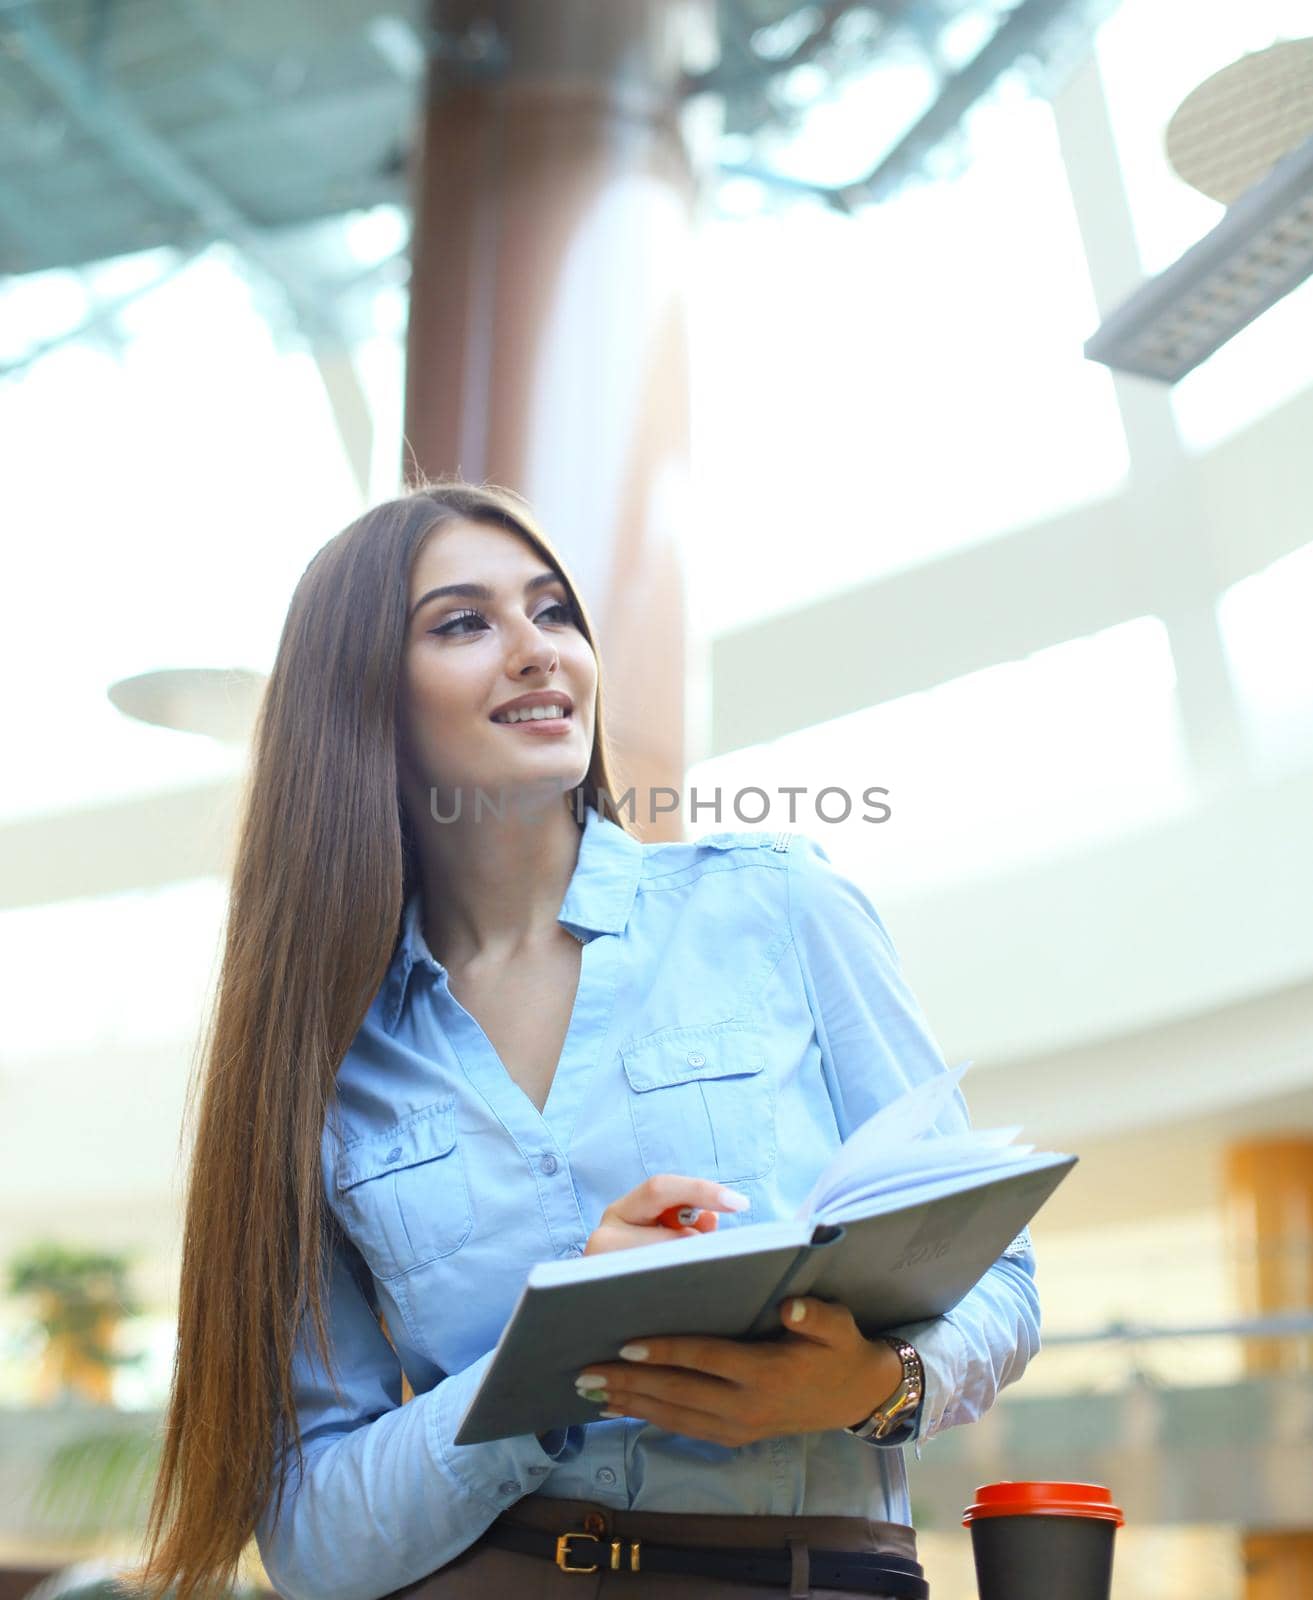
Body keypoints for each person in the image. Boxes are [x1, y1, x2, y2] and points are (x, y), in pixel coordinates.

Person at [126, 478, 1040, 1600]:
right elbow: (314, 1543)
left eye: (553, 611)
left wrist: (869, 1384)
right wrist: (552, 1356)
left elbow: (1001, 1281)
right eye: (464, 623)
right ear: (360, 701)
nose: (534, 649)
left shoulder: (776, 907)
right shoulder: (323, 1065)